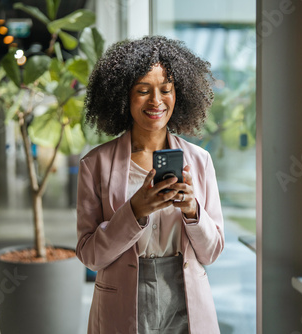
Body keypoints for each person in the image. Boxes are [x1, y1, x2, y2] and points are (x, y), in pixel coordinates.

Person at [76, 35, 224, 334]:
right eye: (143, 91)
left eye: (165, 90)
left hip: (185, 296)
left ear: (178, 94)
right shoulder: (95, 164)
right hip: (122, 296)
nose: (156, 101)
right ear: (123, 96)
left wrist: (193, 211)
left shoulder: (199, 161)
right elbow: (90, 256)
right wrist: (134, 212)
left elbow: (211, 253)